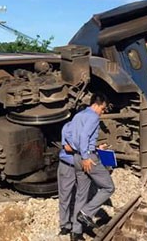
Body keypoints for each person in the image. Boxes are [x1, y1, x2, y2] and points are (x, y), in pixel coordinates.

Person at [68, 93, 115, 241]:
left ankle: (76, 233)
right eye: (103, 108)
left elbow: (74, 137)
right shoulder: (93, 117)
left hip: (76, 157)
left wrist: (94, 147)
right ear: (97, 103)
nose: (103, 111)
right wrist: (87, 156)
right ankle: (86, 213)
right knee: (108, 187)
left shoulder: (79, 116)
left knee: (81, 195)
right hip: (87, 159)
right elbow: (84, 137)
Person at [57, 121, 76, 236]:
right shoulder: (69, 127)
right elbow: (67, 147)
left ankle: (76, 225)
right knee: (65, 197)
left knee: (79, 196)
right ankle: (65, 226)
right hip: (68, 165)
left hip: (81, 166)